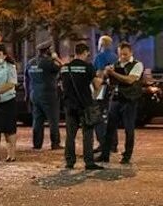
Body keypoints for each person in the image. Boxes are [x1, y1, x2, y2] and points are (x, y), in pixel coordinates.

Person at [60, 43, 104, 171]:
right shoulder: (88, 67)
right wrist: (100, 79)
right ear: (85, 52)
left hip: (69, 105)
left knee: (70, 135)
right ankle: (89, 162)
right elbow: (96, 86)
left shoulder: (64, 68)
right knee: (87, 134)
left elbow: (62, 86)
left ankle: (70, 162)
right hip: (85, 105)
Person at [100, 42, 144, 165]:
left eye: (125, 54)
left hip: (129, 100)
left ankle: (127, 155)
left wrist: (113, 73)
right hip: (116, 98)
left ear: (131, 53)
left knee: (129, 129)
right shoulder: (116, 64)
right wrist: (106, 74)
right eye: (120, 54)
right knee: (109, 128)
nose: (122, 57)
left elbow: (130, 80)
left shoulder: (137, 64)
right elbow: (110, 81)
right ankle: (105, 154)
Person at [27, 42, 62, 150]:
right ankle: (55, 143)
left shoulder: (31, 62)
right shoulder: (49, 62)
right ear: (48, 51)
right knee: (53, 119)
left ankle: (37, 144)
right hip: (48, 94)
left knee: (37, 120)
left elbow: (26, 78)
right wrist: (56, 58)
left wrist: (28, 94)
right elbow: (62, 67)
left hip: (35, 93)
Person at [92, 35, 117, 155]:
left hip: (100, 88)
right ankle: (113, 144)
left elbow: (99, 73)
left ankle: (103, 143)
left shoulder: (99, 56)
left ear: (101, 44)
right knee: (111, 116)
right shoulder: (115, 56)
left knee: (97, 115)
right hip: (113, 88)